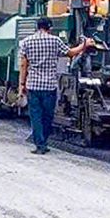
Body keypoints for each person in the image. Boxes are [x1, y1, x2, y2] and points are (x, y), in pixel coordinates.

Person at [18, 17, 93, 154]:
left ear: (37, 26)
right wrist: (85, 45)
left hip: (33, 86)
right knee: (47, 116)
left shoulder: (26, 42)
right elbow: (70, 53)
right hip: (49, 86)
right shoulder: (55, 41)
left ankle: (40, 145)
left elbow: (23, 65)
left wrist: (21, 84)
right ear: (50, 27)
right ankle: (44, 141)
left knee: (35, 116)